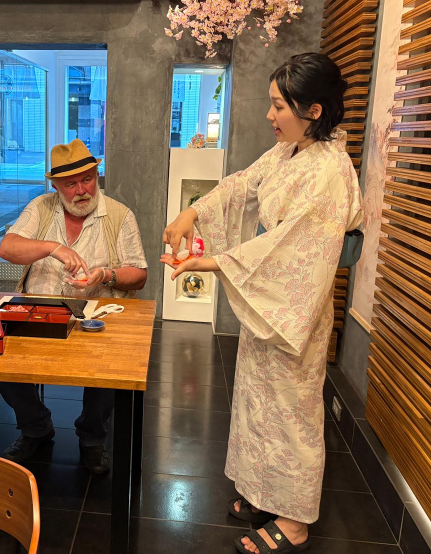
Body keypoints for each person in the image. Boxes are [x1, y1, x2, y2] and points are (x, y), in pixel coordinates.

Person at [162, 53, 363, 554]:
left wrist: (215, 262)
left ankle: (294, 522)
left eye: (279, 106)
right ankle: (264, 493)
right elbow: (242, 185)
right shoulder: (292, 150)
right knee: (259, 402)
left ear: (313, 110)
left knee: (292, 413)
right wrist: (192, 213)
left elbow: (292, 247)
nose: (270, 116)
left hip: (294, 305)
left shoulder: (328, 171)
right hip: (271, 303)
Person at [0, 138, 147, 473]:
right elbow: (7, 248)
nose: (81, 190)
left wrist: (105, 275)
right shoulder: (41, 207)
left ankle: (92, 437)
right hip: (39, 310)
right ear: (56, 187)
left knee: (111, 364)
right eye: (70, 184)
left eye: (87, 179)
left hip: (97, 317)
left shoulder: (119, 215)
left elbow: (138, 275)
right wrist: (53, 247)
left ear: (97, 176)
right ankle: (36, 426)